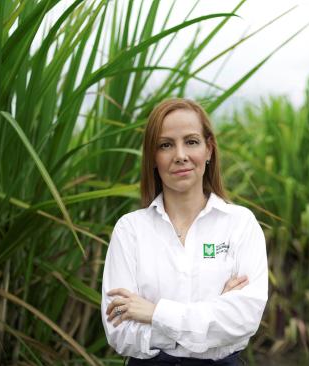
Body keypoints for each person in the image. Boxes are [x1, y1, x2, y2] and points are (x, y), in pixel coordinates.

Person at [100, 98, 268, 365]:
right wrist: (210, 319)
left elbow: (243, 320)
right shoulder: (130, 230)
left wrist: (154, 313)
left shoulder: (240, 224)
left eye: (191, 141)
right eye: (165, 145)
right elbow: (120, 331)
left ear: (209, 149)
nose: (180, 155)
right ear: (153, 158)